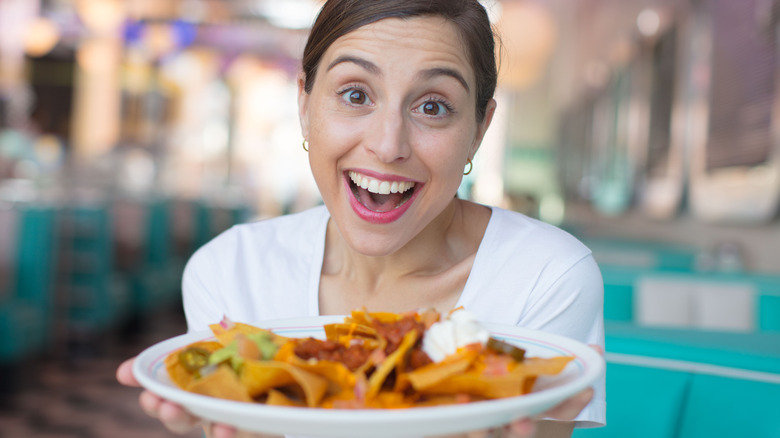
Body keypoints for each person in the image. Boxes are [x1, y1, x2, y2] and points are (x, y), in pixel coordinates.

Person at [117, 0, 605, 437]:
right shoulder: (231, 271)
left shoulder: (545, 275)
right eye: (355, 95)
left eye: (433, 106)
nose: (388, 145)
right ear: (305, 104)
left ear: (479, 129)